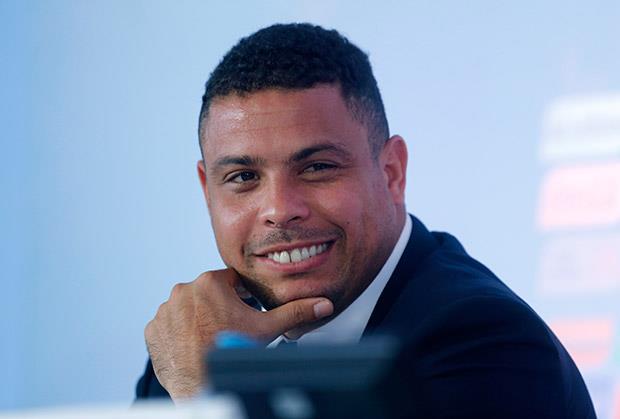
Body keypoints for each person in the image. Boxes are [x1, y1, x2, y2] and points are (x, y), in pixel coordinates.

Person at [136, 23, 596, 418]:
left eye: (317, 167)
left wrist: (207, 398)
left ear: (392, 172)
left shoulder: (486, 342)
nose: (279, 209)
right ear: (207, 190)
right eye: (243, 177)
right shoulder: (199, 339)